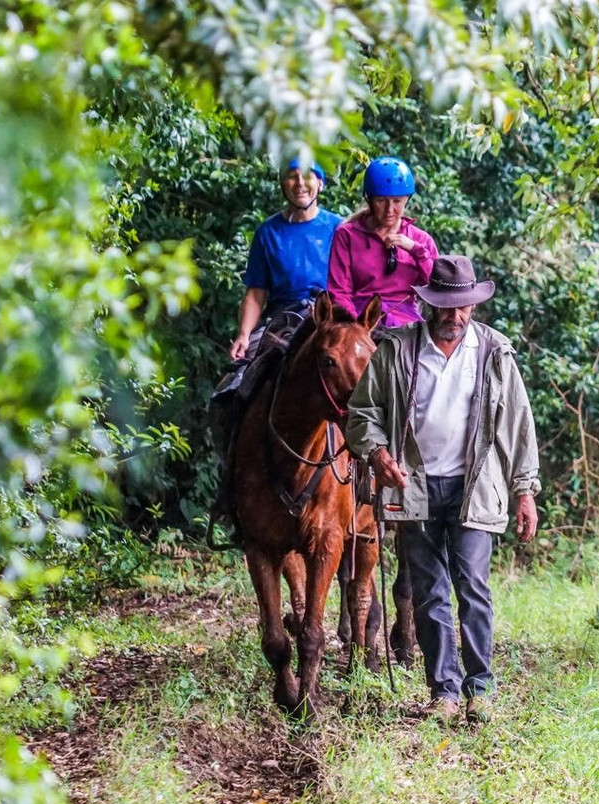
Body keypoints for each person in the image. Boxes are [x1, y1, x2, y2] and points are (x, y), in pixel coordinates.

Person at [346, 254, 540, 724]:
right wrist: (378, 454)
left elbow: (518, 423)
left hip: (475, 486)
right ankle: (444, 692)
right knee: (429, 592)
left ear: (473, 306)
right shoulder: (397, 350)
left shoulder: (494, 352)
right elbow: (362, 413)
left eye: (464, 307)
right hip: (413, 486)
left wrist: (525, 490)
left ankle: (480, 689)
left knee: (473, 586)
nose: (455, 315)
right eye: (447, 307)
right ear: (429, 304)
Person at [228, 158, 341, 361]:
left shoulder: (339, 229)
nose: (300, 183)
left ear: (320, 183)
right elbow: (256, 293)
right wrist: (244, 335)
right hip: (281, 321)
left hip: (329, 318)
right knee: (243, 372)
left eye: (307, 176)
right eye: (292, 177)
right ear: (283, 185)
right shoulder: (268, 232)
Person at [327, 156, 438, 327]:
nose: (389, 209)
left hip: (406, 323)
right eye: (381, 201)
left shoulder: (421, 239)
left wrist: (415, 250)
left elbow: (436, 288)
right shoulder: (346, 235)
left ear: (407, 200)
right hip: (360, 320)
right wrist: (356, 326)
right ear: (369, 200)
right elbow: (339, 291)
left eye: (397, 201)